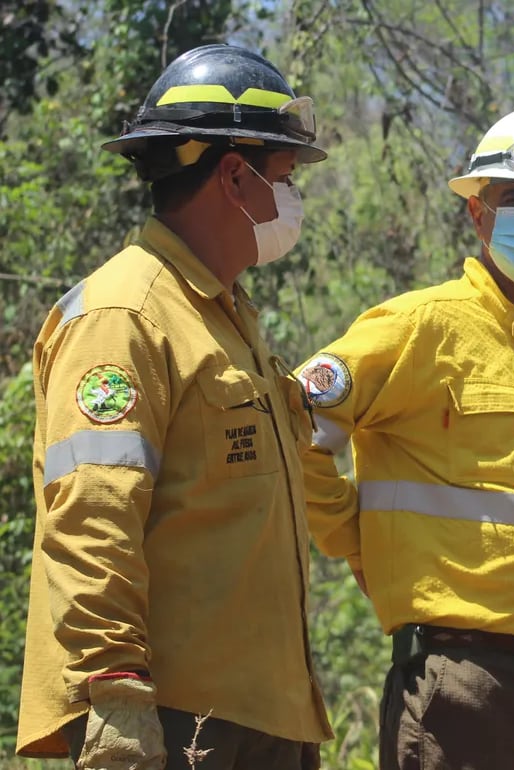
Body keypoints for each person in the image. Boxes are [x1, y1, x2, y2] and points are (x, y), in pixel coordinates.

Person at [16, 44, 332, 770]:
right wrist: (117, 697)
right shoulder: (124, 315)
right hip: (181, 720)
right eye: (282, 176)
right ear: (232, 175)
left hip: (266, 715)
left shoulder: (227, 318)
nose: (291, 199)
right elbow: (93, 516)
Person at [296, 102, 514, 770]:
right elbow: (294, 425)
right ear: (477, 213)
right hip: (460, 684)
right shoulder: (417, 327)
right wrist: (353, 540)